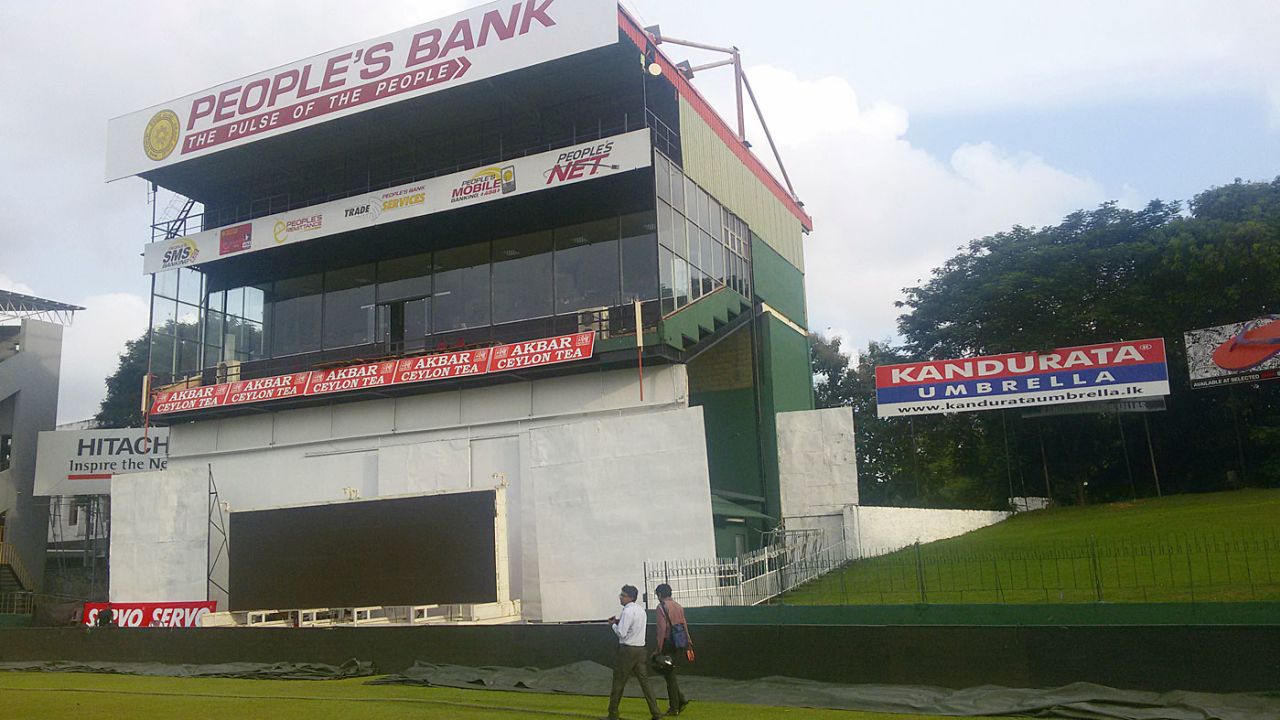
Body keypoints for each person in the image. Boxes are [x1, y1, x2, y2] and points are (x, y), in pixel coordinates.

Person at [604, 584, 661, 720]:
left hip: (627, 650)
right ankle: (656, 713)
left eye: (622, 595)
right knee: (645, 682)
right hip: (641, 649)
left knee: (618, 682)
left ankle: (613, 713)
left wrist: (613, 625)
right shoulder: (641, 610)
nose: (620, 597)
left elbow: (622, 633)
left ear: (629, 597)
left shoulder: (627, 611)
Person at [653, 583, 692, 716]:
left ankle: (674, 706)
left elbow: (661, 629)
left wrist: (658, 649)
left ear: (659, 595)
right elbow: (684, 624)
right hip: (679, 643)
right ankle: (679, 700)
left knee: (668, 675)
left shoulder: (661, 607)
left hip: (667, 644)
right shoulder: (678, 606)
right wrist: (688, 642)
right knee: (670, 673)